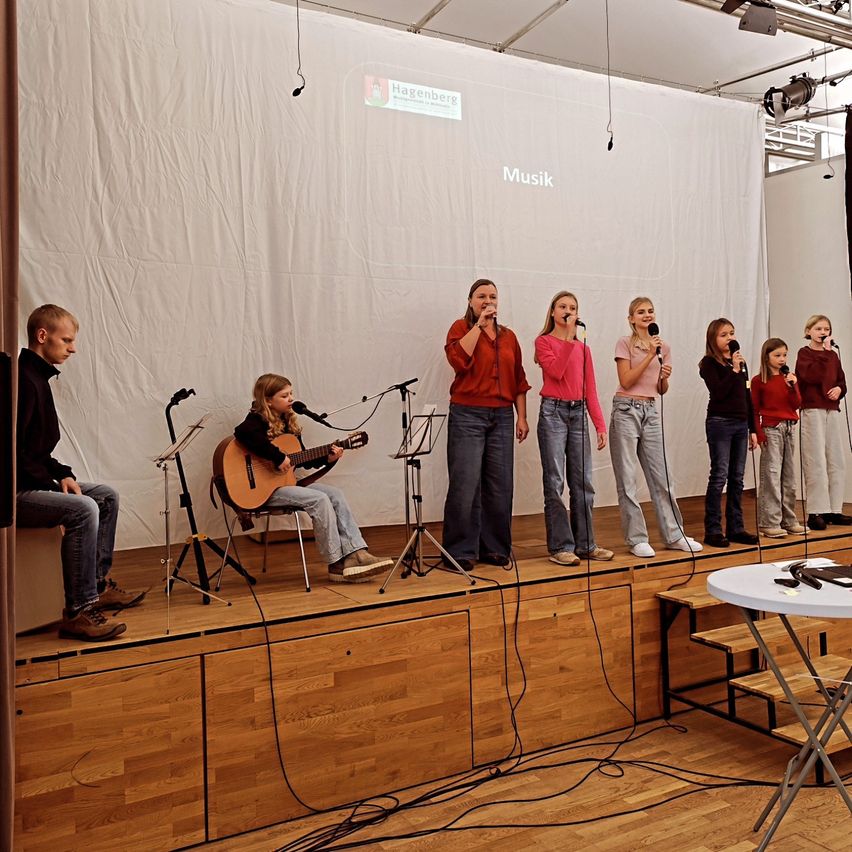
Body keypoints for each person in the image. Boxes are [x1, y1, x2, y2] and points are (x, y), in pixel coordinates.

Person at [16, 305, 144, 641]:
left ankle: (98, 586)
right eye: (67, 340)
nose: (72, 348)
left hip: (34, 480)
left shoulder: (37, 378)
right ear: (42, 336)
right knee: (84, 508)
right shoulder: (22, 382)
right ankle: (79, 610)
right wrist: (52, 483)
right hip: (14, 492)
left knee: (104, 495)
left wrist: (63, 474)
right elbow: (14, 454)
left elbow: (37, 450)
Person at [234, 373, 393, 583]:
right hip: (261, 491)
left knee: (334, 494)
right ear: (268, 400)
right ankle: (336, 563)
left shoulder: (288, 423)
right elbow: (242, 433)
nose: (291, 398)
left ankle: (358, 552)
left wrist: (328, 457)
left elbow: (300, 459)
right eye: (284, 395)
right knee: (318, 500)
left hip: (284, 485)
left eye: (291, 393)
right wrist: (276, 456)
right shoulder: (255, 420)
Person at [441, 279, 530, 571]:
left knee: (500, 486)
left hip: (502, 416)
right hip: (468, 415)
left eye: (492, 296)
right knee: (465, 485)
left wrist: (522, 416)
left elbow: (518, 377)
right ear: (470, 301)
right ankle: (459, 550)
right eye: (481, 296)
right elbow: (458, 360)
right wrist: (478, 326)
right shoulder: (461, 328)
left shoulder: (509, 336)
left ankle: (494, 547)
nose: (488, 300)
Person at [609, 297, 702, 558]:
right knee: (627, 478)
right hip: (626, 409)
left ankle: (674, 534)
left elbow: (659, 390)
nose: (647, 315)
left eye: (650, 311)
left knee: (662, 477)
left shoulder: (665, 347)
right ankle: (637, 538)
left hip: (650, 409)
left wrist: (663, 378)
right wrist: (650, 355)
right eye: (641, 312)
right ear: (631, 319)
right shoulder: (624, 343)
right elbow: (626, 381)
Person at [535, 291, 613, 566]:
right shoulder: (543, 342)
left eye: (573, 307)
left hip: (578, 413)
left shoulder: (584, 349)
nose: (568, 311)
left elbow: (589, 388)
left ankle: (586, 544)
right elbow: (555, 372)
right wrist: (568, 339)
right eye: (563, 306)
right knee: (555, 481)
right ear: (554, 312)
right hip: (553, 412)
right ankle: (560, 546)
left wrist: (600, 424)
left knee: (583, 482)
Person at [699, 318, 759, 548]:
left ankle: (736, 528)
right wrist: (733, 370)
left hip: (740, 424)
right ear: (713, 338)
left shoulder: (740, 363)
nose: (730, 338)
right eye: (724, 334)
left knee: (737, 478)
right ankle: (713, 530)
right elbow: (719, 391)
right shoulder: (708, 364)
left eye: (732, 333)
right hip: (720, 423)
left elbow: (747, 396)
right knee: (719, 476)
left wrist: (753, 428)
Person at [794, 314, 851, 530]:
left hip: (831, 410)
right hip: (813, 409)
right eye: (818, 328)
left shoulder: (833, 356)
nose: (823, 332)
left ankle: (834, 509)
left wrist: (840, 389)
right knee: (815, 459)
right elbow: (812, 376)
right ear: (808, 331)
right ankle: (816, 511)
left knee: (836, 459)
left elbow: (840, 381)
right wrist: (826, 354)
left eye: (826, 328)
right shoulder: (805, 354)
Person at [751, 337, 806, 538]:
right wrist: (758, 433)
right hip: (771, 428)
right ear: (767, 357)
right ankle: (769, 521)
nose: (782, 359)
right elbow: (755, 409)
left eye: (784, 355)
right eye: (777, 355)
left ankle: (789, 519)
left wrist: (794, 385)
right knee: (772, 475)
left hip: (790, 428)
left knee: (789, 477)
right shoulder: (759, 381)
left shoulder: (788, 378)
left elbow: (796, 403)